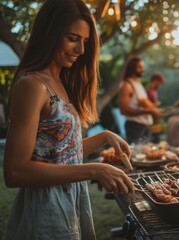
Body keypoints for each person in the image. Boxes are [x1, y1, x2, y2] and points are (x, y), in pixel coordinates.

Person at [3, 0, 135, 239]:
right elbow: (15, 171)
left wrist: (104, 137)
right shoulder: (32, 85)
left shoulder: (60, 83)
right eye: (73, 38)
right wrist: (94, 170)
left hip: (70, 202)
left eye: (84, 41)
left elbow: (61, 155)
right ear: (49, 33)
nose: (81, 50)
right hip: (45, 211)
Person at [119, 57, 162, 144]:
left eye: (142, 66)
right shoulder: (127, 85)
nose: (143, 69)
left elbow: (143, 103)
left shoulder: (138, 83)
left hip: (144, 127)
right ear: (132, 68)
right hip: (135, 127)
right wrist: (149, 111)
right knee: (135, 155)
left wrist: (154, 109)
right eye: (140, 67)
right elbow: (123, 110)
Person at [146, 73, 166, 143]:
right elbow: (146, 107)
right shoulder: (148, 91)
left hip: (155, 121)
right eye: (160, 83)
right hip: (150, 122)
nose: (160, 85)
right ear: (155, 81)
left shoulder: (154, 92)